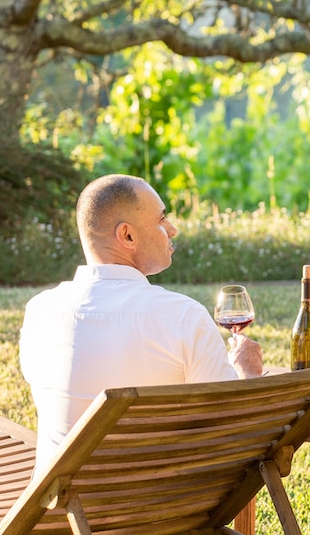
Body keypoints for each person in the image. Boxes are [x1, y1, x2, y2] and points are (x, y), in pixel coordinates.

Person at [19, 173, 263, 468]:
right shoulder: (183, 317)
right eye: (162, 220)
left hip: (64, 507)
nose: (172, 229)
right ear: (128, 236)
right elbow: (235, 432)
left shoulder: (40, 312)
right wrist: (248, 374)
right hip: (164, 509)